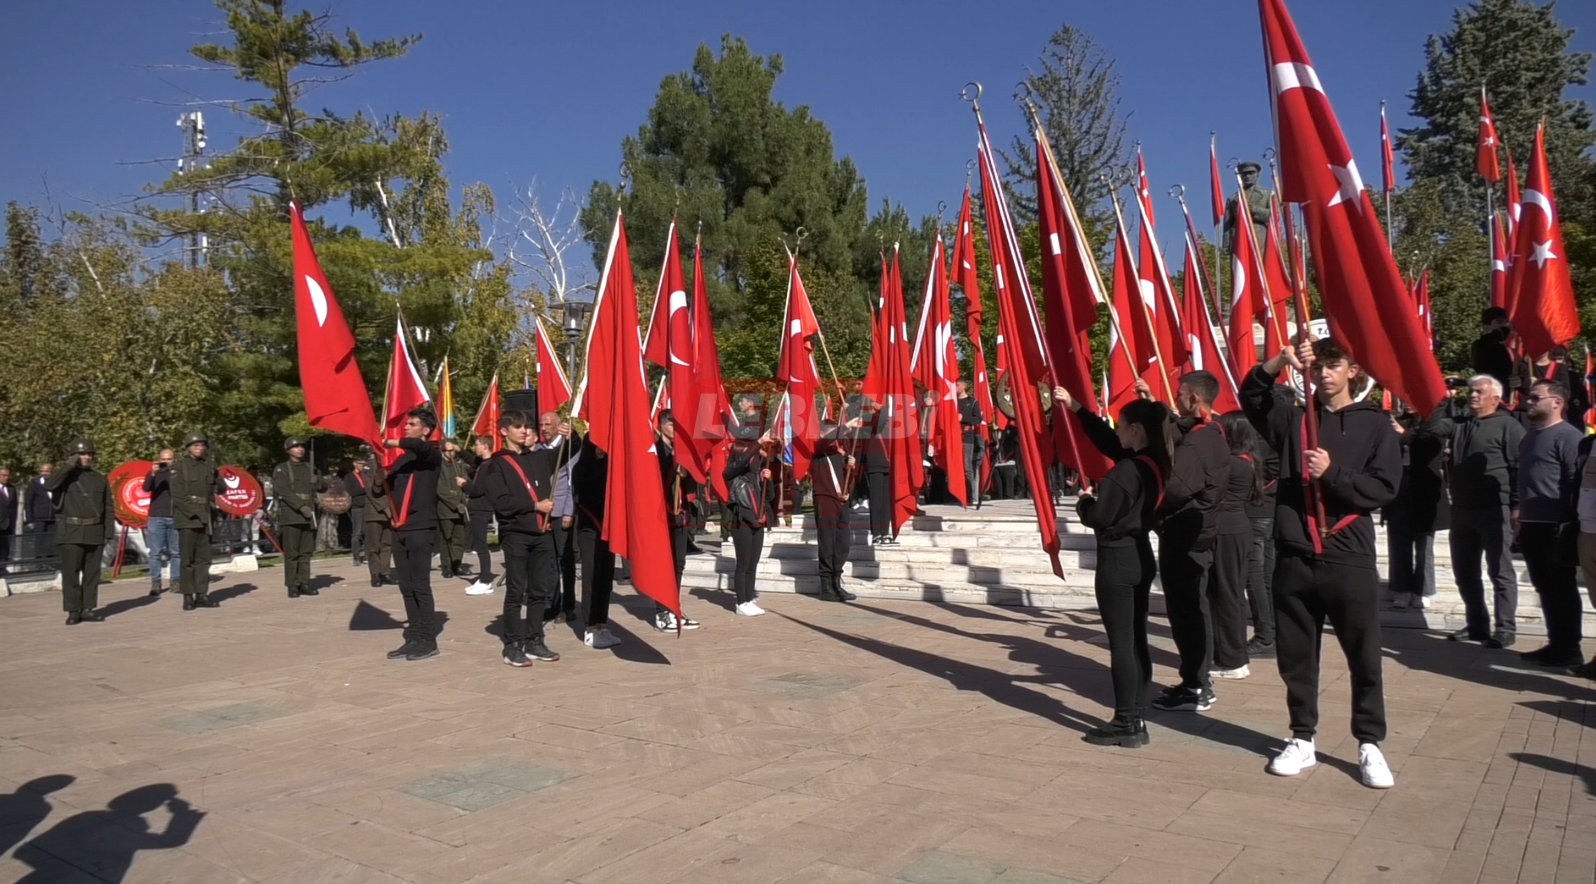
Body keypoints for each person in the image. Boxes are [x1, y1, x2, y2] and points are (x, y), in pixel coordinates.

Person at [1242, 338, 1400, 789]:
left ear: (1353, 371)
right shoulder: (1294, 419)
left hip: (1348, 553)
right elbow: (1251, 396)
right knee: (1296, 655)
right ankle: (1302, 737)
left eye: (1334, 366)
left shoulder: (1376, 426)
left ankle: (1369, 742)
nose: (1324, 374)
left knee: (1363, 654)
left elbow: (1385, 487)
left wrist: (1332, 474)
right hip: (1295, 553)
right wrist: (1279, 360)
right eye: (1318, 367)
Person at [1063, 392, 1172, 748]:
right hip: (1140, 553)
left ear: (1136, 430)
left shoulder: (1126, 472)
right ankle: (1136, 710)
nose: (1118, 432)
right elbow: (1110, 443)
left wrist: (1084, 501)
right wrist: (1079, 409)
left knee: (1122, 643)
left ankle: (1127, 720)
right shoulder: (1155, 462)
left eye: (1122, 427)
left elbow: (1100, 516)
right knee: (1137, 637)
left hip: (1118, 558)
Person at [1146, 372, 1229, 714]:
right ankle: (1193, 679)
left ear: (1195, 399)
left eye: (1180, 395)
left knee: (1188, 612)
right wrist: (1157, 405)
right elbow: (1180, 425)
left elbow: (1176, 489)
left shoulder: (1197, 444)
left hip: (1186, 536)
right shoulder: (1213, 433)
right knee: (1190, 610)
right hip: (1197, 534)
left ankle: (1197, 684)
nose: (1177, 399)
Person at [1442, 375, 1525, 648]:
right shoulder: (1460, 424)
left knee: (1500, 571)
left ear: (1495, 398)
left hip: (1494, 509)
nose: (1473, 395)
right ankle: (1477, 624)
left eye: (1479, 391)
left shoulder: (1508, 427)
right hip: (1463, 509)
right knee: (1464, 572)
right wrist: (1442, 396)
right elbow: (1430, 428)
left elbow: (1519, 469)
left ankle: (1505, 629)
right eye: (1471, 391)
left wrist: (1516, 505)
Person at [481, 410, 567, 663]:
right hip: (516, 534)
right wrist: (534, 507)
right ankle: (512, 644)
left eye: (527, 427)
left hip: (541, 533)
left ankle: (534, 639)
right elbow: (501, 502)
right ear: (504, 431)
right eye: (518, 427)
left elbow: (565, 453)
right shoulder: (496, 464)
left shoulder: (538, 458)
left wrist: (572, 437)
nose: (524, 431)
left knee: (539, 591)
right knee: (516, 591)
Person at [1514, 380, 1584, 668]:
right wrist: (1518, 509)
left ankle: (1570, 647)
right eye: (1527, 397)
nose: (1528, 402)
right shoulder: (1529, 437)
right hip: (1531, 523)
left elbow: (1574, 479)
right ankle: (1556, 643)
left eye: (1535, 397)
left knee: (1562, 587)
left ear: (1557, 402)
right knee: (1544, 586)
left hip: (1556, 525)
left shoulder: (1569, 437)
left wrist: (1569, 521)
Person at [382, 407, 444, 661]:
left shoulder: (431, 453)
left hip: (421, 526)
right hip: (399, 527)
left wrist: (387, 441)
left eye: (412, 424)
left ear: (426, 430)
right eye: (407, 424)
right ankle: (415, 635)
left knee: (420, 584)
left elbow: (417, 447)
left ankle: (428, 639)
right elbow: (384, 487)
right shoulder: (403, 459)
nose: (406, 427)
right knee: (406, 585)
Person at [1210, 412, 1264, 681]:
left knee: (1227, 596)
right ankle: (1233, 655)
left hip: (1226, 531)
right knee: (1231, 593)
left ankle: (1232, 660)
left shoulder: (1232, 464)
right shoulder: (1248, 460)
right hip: (1236, 529)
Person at [1387, 402, 1449, 611]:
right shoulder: (1396, 422)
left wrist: (1405, 435)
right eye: (1404, 399)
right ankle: (1401, 588)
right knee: (1399, 542)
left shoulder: (1433, 425)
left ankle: (1423, 589)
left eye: (1413, 399)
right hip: (1400, 488)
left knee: (1424, 545)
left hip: (1425, 490)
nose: (1408, 403)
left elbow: (1429, 447)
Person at [46, 440, 115, 625]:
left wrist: (108, 530)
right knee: (71, 573)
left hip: (94, 530)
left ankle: (87, 608)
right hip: (71, 531)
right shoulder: (64, 477)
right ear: (73, 456)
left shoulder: (99, 478)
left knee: (92, 573)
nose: (87, 457)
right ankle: (73, 610)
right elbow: (49, 485)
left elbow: (108, 506)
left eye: (89, 454)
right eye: (82, 454)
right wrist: (68, 465)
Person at [570, 431, 622, 648]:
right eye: (598, 445)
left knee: (605, 578)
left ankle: (602, 623)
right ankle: (590, 627)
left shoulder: (611, 465)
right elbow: (583, 481)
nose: (602, 449)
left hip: (608, 529)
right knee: (591, 578)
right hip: (589, 528)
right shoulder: (582, 467)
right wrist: (602, 462)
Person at [655, 411, 703, 630]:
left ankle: (675, 607)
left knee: (679, 564)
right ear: (663, 426)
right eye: (672, 425)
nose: (676, 430)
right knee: (663, 565)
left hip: (681, 513)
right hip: (663, 515)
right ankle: (661, 611)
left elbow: (694, 478)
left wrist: (686, 471)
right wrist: (674, 467)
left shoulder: (681, 451)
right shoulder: (656, 451)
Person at [813, 412, 864, 603]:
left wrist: (851, 466)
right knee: (827, 541)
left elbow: (849, 477)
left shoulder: (840, 452)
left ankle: (836, 580)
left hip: (841, 500)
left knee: (842, 543)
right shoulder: (819, 448)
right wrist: (845, 426)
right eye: (834, 432)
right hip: (825, 499)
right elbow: (824, 442)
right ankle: (825, 585)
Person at [724, 433, 774, 616]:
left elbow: (769, 498)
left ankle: (749, 598)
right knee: (743, 564)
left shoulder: (755, 476)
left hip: (758, 522)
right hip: (742, 522)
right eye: (751, 457)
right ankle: (741, 602)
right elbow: (737, 465)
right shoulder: (733, 475)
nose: (754, 460)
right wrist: (758, 442)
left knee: (753, 564)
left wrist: (768, 480)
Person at [171, 432, 222, 610]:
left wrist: (215, 480)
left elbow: (222, 489)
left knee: (204, 559)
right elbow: (178, 496)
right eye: (196, 445)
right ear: (188, 447)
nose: (200, 448)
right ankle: (187, 596)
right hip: (188, 519)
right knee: (188, 559)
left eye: (202, 445)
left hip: (206, 516)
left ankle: (201, 594)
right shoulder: (179, 467)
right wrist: (195, 512)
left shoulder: (209, 466)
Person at [271, 437, 327, 599]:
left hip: (309, 515)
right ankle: (292, 584)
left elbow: (323, 487)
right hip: (292, 515)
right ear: (288, 450)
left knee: (305, 552)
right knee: (292, 553)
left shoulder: (310, 467)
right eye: (295, 447)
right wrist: (301, 507)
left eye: (301, 447)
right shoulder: (282, 469)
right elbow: (284, 491)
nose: (299, 449)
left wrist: (318, 482)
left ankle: (304, 582)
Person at [536, 413, 577, 620]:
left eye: (548, 424)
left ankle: (568, 605)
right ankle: (551, 603)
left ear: (558, 425)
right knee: (549, 560)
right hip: (545, 511)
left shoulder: (568, 448)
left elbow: (572, 482)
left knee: (564, 560)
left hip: (562, 511)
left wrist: (569, 512)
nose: (544, 428)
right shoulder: (539, 449)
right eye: (541, 424)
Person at [139, 450, 180, 597]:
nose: (166, 462)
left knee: (176, 552)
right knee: (155, 553)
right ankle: (156, 583)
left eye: (169, 459)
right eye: (164, 459)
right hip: (157, 517)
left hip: (175, 516)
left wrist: (175, 473)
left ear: (174, 460)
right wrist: (153, 473)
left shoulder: (178, 473)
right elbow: (146, 488)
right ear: (159, 460)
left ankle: (175, 580)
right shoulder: (155, 473)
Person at [461, 436, 498, 596]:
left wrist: (464, 484)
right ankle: (483, 577)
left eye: (477, 445)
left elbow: (477, 490)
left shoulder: (488, 466)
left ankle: (486, 580)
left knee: (481, 546)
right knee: (479, 545)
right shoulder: (483, 464)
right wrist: (458, 450)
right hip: (478, 509)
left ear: (485, 446)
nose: (475, 448)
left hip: (481, 509)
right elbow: (471, 459)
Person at [436, 439, 471, 580]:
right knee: (447, 538)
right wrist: (455, 504)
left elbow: (466, 483)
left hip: (461, 508)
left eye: (453, 451)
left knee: (459, 538)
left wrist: (464, 500)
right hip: (447, 509)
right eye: (447, 451)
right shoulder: (439, 467)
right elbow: (441, 490)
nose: (451, 454)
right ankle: (447, 566)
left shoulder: (460, 466)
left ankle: (457, 563)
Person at [1222, 161, 1273, 257]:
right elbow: (1228, 223)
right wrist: (1226, 244)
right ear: (1240, 177)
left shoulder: (1267, 194)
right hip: (1239, 238)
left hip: (1260, 238)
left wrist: (1257, 210)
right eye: (1244, 174)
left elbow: (1275, 216)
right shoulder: (1233, 199)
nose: (1248, 176)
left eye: (1251, 173)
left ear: (1257, 175)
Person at [358, 452, 393, 588]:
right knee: (374, 546)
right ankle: (375, 574)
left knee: (387, 544)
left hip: (389, 511)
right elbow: (370, 491)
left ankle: (385, 572)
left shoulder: (390, 465)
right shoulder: (369, 467)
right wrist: (385, 507)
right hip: (374, 511)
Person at [1470, 307, 1517, 401]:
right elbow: (1483, 368)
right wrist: (1497, 334)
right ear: (1486, 327)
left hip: (1517, 399)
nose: (1505, 325)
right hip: (1496, 398)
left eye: (1507, 322)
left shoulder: (1514, 347)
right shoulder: (1480, 345)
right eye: (1499, 322)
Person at [957, 380, 986, 509]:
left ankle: (969, 495)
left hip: (966, 438)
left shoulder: (972, 401)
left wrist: (963, 418)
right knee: (955, 467)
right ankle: (956, 494)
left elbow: (978, 419)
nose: (955, 387)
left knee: (967, 467)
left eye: (957, 384)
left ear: (964, 386)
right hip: (953, 438)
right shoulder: (951, 401)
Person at [343, 453, 368, 567]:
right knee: (357, 533)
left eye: (364, 464)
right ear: (354, 464)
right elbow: (352, 492)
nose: (362, 466)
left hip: (367, 505)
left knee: (368, 532)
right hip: (357, 507)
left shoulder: (365, 475)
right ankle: (356, 557)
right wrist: (364, 489)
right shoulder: (349, 477)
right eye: (360, 464)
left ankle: (368, 555)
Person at [23, 462, 54, 535]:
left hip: (53, 519)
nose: (44, 473)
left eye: (47, 471)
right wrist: (29, 520)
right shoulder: (34, 484)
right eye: (42, 471)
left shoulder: (56, 484)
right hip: (39, 519)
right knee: (39, 542)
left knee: (51, 543)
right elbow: (28, 502)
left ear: (52, 471)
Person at [0, 467, 15, 574]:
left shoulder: (12, 488)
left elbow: (14, 506)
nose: (6, 478)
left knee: (5, 547)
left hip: (8, 523)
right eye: (3, 475)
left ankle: (3, 566)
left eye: (8, 475)